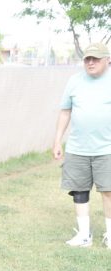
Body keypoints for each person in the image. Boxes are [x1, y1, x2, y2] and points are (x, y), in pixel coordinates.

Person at [53, 42, 111, 249]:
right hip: (77, 148)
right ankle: (84, 236)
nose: (91, 62)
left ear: (108, 60)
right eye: (87, 58)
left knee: (109, 191)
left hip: (107, 149)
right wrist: (58, 140)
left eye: (95, 58)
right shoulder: (75, 81)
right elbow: (65, 111)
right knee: (79, 190)